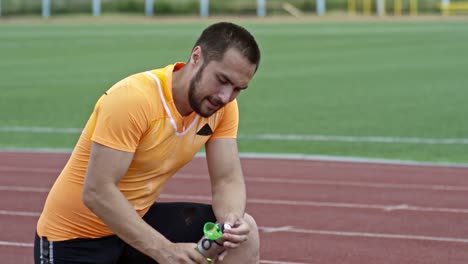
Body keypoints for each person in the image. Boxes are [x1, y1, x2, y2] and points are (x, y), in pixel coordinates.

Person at [34, 21, 261, 264]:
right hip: (75, 238)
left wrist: (229, 221)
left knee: (243, 233)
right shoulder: (133, 99)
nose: (226, 96)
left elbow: (227, 180)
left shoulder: (222, 108)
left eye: (238, 89)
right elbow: (97, 192)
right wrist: (166, 251)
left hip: (134, 226)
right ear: (197, 57)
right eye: (222, 80)